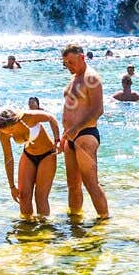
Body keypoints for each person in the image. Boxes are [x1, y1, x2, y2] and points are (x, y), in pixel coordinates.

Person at [0, 104, 62, 217]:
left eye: (11, 129)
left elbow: (51, 118)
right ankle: (27, 228)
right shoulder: (4, 133)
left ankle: (44, 228)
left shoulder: (28, 117)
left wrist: (57, 140)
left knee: (40, 197)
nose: (9, 133)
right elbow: (8, 158)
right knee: (23, 196)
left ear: (15, 120)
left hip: (47, 155)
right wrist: (12, 186)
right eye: (6, 131)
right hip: (28, 155)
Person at [60, 44, 110, 218]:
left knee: (90, 183)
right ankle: (75, 220)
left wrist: (74, 128)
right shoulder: (74, 78)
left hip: (86, 135)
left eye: (71, 62)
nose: (69, 66)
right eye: (66, 63)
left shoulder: (91, 77)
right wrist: (64, 134)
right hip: (70, 137)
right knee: (73, 185)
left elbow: (98, 110)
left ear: (82, 57)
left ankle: (104, 220)